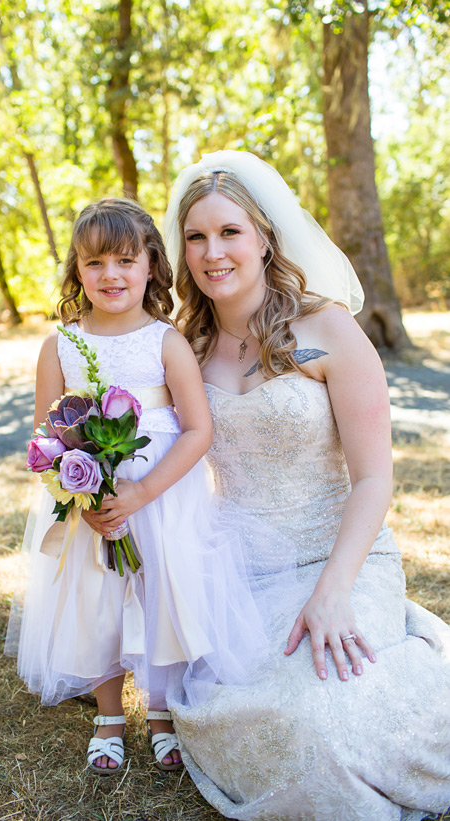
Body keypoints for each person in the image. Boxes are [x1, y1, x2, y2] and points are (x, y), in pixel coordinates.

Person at [163, 150, 450, 820]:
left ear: (265, 236)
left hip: (342, 557)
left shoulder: (327, 329)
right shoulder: (185, 347)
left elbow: (375, 477)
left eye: (230, 231)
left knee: (331, 713)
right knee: (260, 708)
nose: (213, 252)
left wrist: (332, 591)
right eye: (196, 236)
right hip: (243, 571)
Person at [5, 198, 267, 776]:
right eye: (94, 263)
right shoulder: (61, 345)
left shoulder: (165, 342)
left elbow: (199, 430)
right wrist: (86, 494)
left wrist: (143, 494)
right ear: (77, 270)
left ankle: (160, 710)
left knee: (161, 593)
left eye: (125, 260)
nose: (110, 275)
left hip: (163, 499)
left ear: (151, 265)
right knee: (97, 598)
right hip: (90, 505)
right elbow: (45, 434)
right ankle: (108, 716)